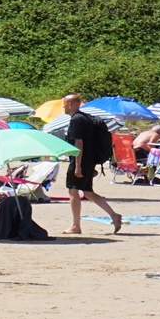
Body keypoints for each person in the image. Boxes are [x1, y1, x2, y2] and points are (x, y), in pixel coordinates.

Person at [61, 94, 125, 234]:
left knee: (73, 191)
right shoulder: (85, 118)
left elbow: (79, 143)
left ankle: (76, 226)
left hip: (81, 160)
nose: (63, 106)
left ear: (71, 104)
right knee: (88, 192)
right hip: (89, 160)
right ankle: (114, 215)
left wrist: (78, 166)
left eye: (65, 104)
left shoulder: (77, 119)